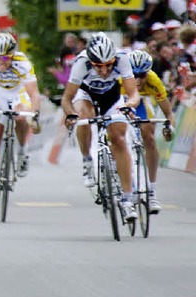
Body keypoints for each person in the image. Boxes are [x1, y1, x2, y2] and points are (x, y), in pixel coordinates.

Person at [61, 32, 141, 221]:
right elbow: (67, 98)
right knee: (85, 116)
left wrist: (129, 106)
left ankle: (128, 199)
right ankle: (87, 159)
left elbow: (133, 94)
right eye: (98, 66)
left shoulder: (121, 58)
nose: (104, 71)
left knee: (119, 139)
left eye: (108, 65)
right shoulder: (81, 63)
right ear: (91, 61)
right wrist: (71, 114)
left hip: (112, 96)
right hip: (87, 95)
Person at [0, 33, 41, 205]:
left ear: (13, 55)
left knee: (20, 116)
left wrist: (34, 116)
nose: (1, 62)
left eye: (6, 58)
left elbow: (33, 94)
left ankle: (23, 151)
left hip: (19, 93)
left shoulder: (23, 63)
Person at [122, 50, 176, 213]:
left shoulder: (153, 80)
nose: (138, 80)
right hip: (123, 101)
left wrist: (170, 128)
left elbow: (168, 113)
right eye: (134, 75)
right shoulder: (120, 78)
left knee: (149, 136)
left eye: (142, 75)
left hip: (143, 102)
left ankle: (151, 191)